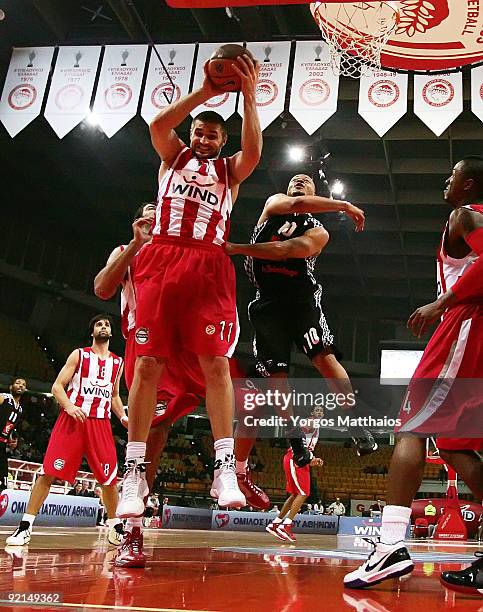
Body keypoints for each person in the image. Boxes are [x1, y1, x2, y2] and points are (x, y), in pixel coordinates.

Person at [115, 53, 262, 519]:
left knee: (216, 362)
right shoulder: (170, 156)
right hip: (162, 257)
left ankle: (225, 467)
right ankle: (134, 472)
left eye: (213, 134)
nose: (203, 138)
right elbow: (158, 123)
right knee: (147, 365)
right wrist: (206, 92)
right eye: (199, 131)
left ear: (222, 142)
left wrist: (251, 97)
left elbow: (254, 153)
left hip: (208, 264)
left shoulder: (229, 173)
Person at [344, 156, 483, 594]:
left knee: (410, 428)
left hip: (464, 326)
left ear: (469, 185)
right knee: (457, 448)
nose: (446, 181)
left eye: (453, 176)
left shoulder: (466, 215)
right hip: (471, 329)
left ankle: (390, 547)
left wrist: (441, 305)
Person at [226, 173, 377, 463]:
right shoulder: (274, 204)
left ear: (315, 194)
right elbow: (295, 203)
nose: (299, 181)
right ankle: (295, 439)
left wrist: (238, 248)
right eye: (295, 179)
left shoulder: (319, 231)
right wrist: (343, 206)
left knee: (324, 358)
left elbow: (289, 250)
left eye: (306, 181)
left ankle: (356, 423)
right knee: (276, 374)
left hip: (301, 300)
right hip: (267, 302)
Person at [6, 315, 128, 548]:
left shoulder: (117, 362)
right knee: (47, 472)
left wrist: (122, 416)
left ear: (111, 332)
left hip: (100, 424)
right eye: (99, 324)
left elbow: (114, 396)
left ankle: (116, 526)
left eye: (107, 325)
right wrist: (70, 406)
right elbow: (57, 386)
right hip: (72, 420)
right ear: (92, 331)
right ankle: (25, 527)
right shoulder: (79, 354)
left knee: (109, 478)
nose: (103, 327)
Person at [266, 408, 324, 543]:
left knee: (294, 494)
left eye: (322, 410)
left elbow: (306, 445)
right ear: (312, 413)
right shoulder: (311, 422)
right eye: (317, 410)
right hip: (296, 458)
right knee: (303, 493)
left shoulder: (315, 425)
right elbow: (298, 434)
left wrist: (311, 458)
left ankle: (275, 524)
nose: (320, 412)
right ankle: (286, 525)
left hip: (300, 458)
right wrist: (303, 456)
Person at [0, 377, 26, 490]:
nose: (20, 385)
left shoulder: (19, 408)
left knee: (3, 475)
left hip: (2, 442)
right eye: (18, 383)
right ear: (11, 387)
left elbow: (9, 425)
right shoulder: (4, 397)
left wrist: (10, 437)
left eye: (23, 385)